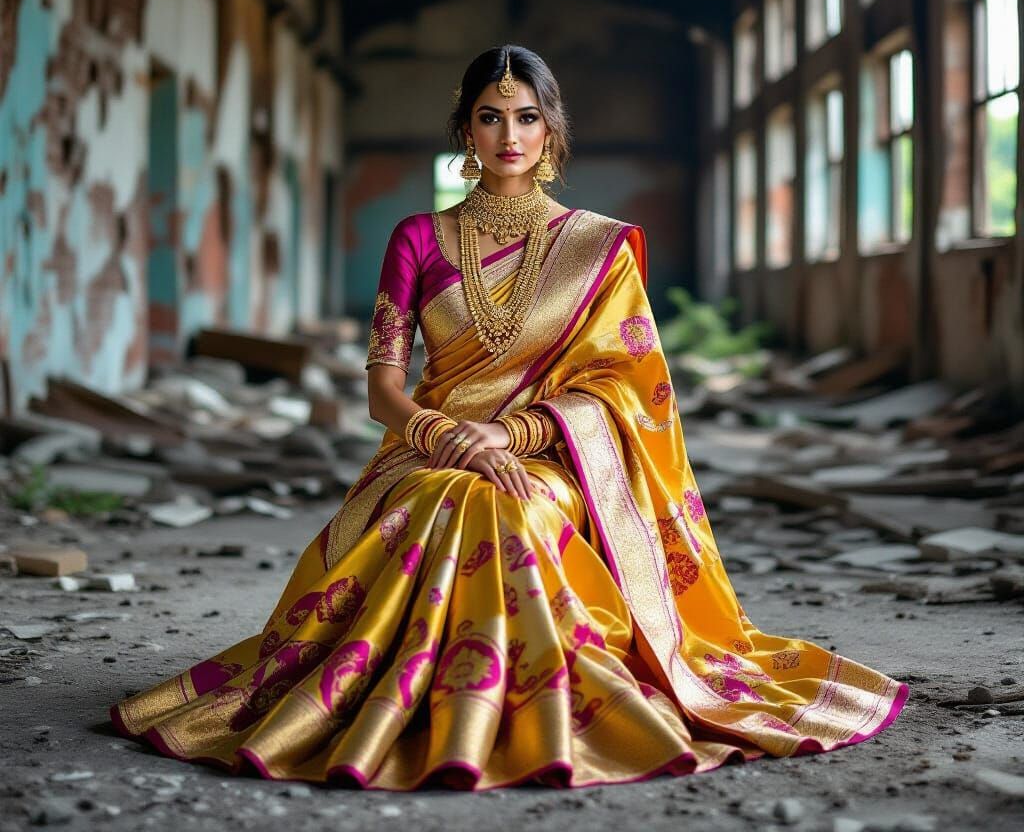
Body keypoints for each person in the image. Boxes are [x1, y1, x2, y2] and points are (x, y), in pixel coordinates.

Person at [109, 44, 908, 790]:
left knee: (506, 499)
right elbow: (383, 386)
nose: (509, 134)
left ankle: (532, 701)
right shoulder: (419, 237)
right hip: (425, 453)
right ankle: (425, 695)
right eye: (490, 117)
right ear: (465, 130)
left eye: (526, 116)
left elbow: (629, 390)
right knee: (451, 496)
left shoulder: (597, 248)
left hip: (551, 458)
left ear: (551, 128)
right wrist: (449, 433)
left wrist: (514, 433)